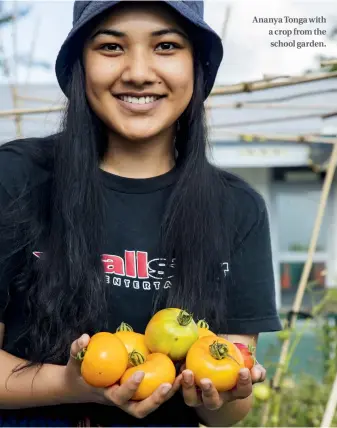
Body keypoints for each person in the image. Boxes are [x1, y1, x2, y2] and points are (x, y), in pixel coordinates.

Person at [0, 1, 282, 426]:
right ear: (80, 63)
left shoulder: (237, 208)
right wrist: (70, 386)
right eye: (111, 47)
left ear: (197, 65)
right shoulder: (15, 178)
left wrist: (221, 392)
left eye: (166, 46)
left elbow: (228, 414)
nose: (137, 71)